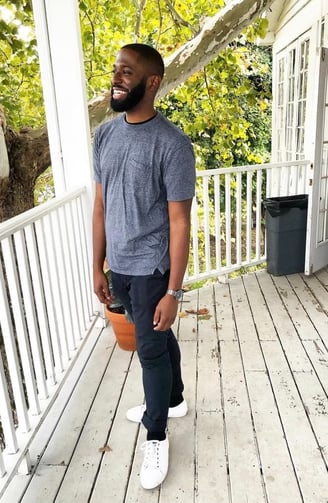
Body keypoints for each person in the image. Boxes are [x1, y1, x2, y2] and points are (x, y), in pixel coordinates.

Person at [92, 43, 195, 490]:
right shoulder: (105, 135)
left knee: (149, 349)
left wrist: (173, 292)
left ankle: (157, 433)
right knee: (155, 335)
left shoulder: (172, 145)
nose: (117, 77)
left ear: (152, 83)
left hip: (153, 269)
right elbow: (100, 206)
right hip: (120, 268)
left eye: (127, 72)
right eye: (116, 69)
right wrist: (97, 265)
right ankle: (172, 400)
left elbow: (179, 222)